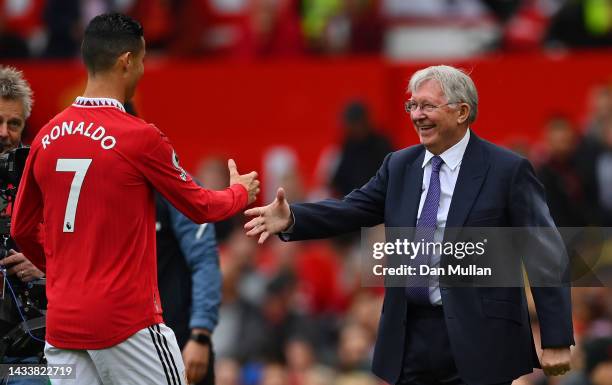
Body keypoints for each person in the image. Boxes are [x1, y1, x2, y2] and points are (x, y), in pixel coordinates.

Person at [244, 65, 574, 385]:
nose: (416, 115)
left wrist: (556, 336)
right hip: (409, 336)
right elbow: (352, 209)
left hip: (481, 337)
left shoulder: (508, 170)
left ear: (461, 112)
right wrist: (292, 218)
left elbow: (545, 250)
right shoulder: (399, 165)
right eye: (412, 105)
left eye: (427, 105)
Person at [10, 13, 259, 385]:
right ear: (127, 60)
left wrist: (59, 268)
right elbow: (201, 207)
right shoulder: (139, 137)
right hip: (125, 323)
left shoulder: (46, 136)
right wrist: (240, 191)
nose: (142, 70)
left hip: (63, 323)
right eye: (142, 61)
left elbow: (22, 228)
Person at [0, 66, 46, 385]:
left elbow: (82, 250)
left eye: (13, 124)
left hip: (29, 354)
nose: (4, 132)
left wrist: (43, 263)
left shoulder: (44, 179)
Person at [155, 192, 220, 385]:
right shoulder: (111, 185)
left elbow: (205, 261)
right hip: (121, 338)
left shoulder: (179, 188)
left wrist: (200, 335)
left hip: (178, 338)